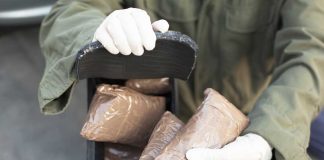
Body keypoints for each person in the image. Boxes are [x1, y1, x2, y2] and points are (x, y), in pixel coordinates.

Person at [38, 0, 324, 159]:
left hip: (247, 120)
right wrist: (99, 28)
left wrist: (266, 138)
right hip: (149, 119)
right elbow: (70, 10)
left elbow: (312, 48)